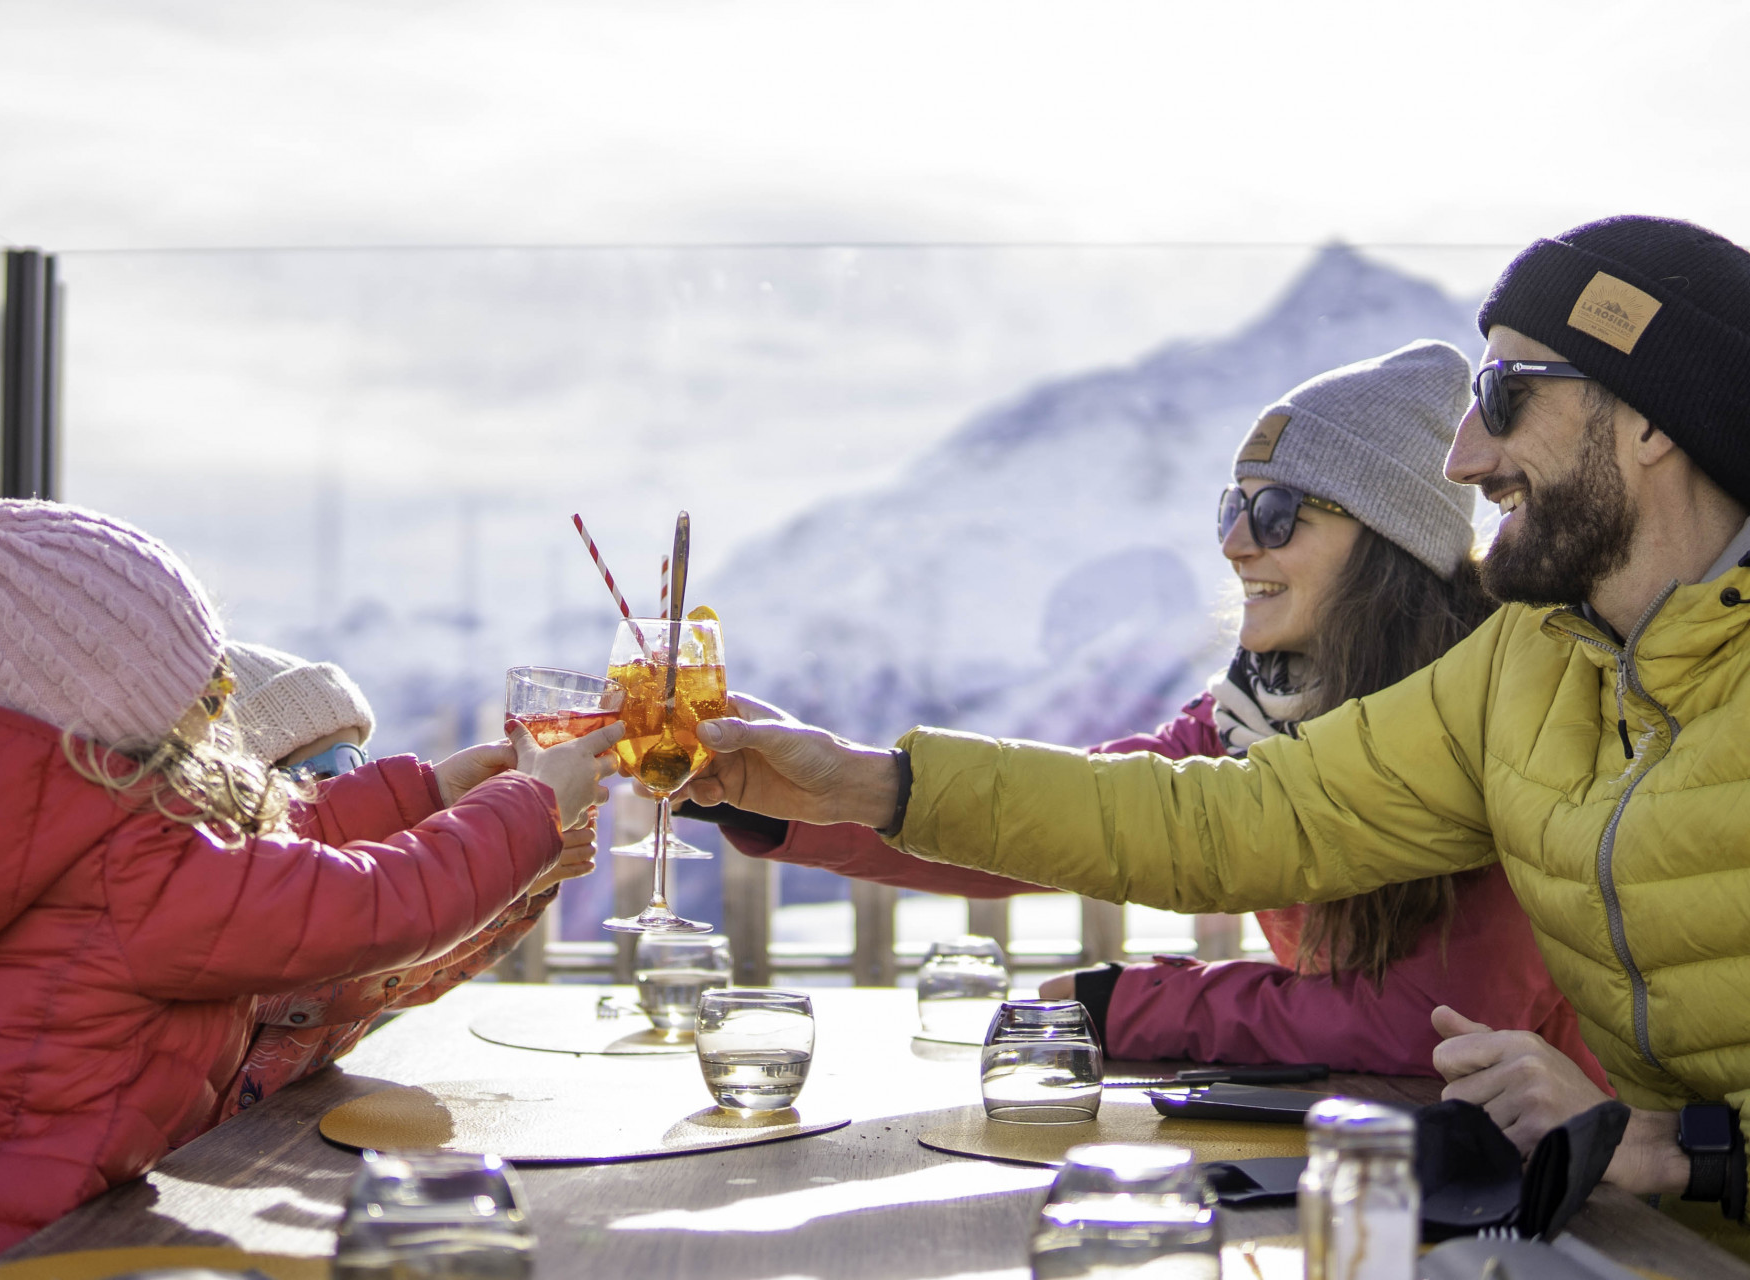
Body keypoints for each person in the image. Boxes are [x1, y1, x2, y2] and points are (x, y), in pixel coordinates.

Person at [681, 216, 1750, 1255]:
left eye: (1505, 396)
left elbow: (1430, 1020)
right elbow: (1214, 819)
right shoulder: (1534, 663)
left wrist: (1699, 1158)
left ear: (1653, 417)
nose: (1465, 457)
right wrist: (849, 785)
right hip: (1617, 1232)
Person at [685, 341, 1606, 1084]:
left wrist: (1125, 1002)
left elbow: (1430, 1026)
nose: (1238, 543)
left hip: (1577, 1207)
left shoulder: (1487, 716)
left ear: (1389, 544)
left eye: (1280, 513)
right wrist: (793, 797)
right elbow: (1071, 820)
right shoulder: (1255, 711)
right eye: (1231, 509)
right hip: (1371, 1137)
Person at [0, 463, 621, 1278]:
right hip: (18, 1259)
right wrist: (530, 805)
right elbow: (370, 909)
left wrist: (427, 792)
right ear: (103, 698)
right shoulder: (126, 872)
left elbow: (249, 860)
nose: (221, 696)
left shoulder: (47, 834)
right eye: (195, 678)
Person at [216, 640, 597, 1121]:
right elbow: (338, 974)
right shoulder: (232, 909)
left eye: (354, 761)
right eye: (312, 775)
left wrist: (512, 881)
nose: (345, 783)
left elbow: (402, 978)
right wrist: (499, 858)